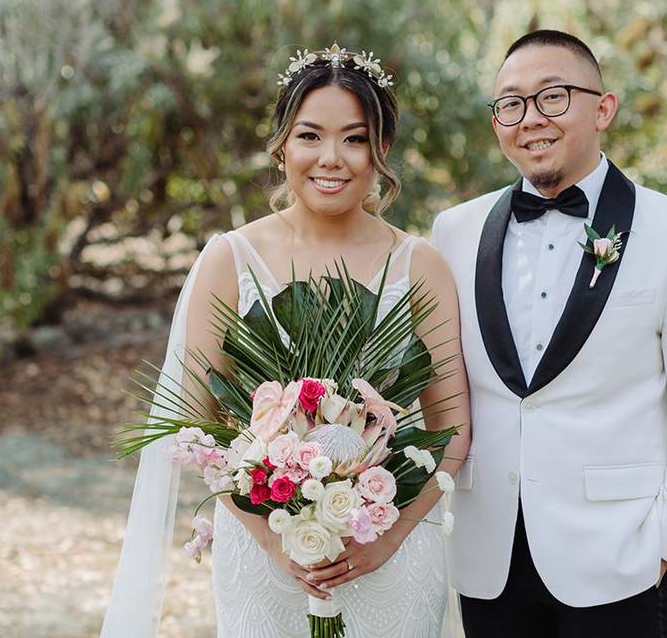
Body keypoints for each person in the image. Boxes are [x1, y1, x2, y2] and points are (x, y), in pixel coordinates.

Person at [101, 45, 471, 638]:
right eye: (310, 136)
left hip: (391, 555)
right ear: (281, 147)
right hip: (264, 554)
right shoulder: (230, 260)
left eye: (354, 139)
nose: (331, 158)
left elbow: (454, 431)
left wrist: (390, 539)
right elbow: (197, 427)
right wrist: (275, 543)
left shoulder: (420, 266)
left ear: (381, 152)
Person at [431, 30, 667, 638]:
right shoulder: (454, 231)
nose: (530, 119)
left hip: (622, 559)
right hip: (489, 554)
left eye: (552, 97)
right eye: (510, 103)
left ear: (603, 109)